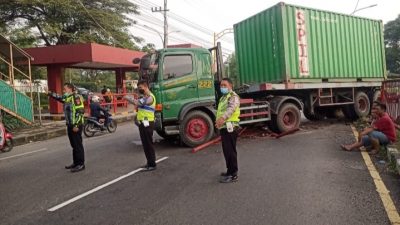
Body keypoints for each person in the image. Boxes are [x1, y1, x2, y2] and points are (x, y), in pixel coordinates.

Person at [48, 83, 86, 172]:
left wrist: (76, 125)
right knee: (73, 145)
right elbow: (60, 98)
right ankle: (75, 163)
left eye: (65, 89)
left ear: (70, 89)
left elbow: (80, 111)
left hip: (76, 125)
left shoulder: (76, 97)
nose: (63, 91)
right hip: (70, 125)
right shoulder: (67, 98)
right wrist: (49, 93)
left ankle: (81, 164)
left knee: (78, 145)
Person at [125, 80, 157, 171]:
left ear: (146, 87)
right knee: (145, 144)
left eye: (140, 88)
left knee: (148, 144)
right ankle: (149, 162)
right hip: (143, 123)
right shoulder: (145, 97)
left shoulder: (150, 98)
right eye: (138, 88)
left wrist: (127, 98)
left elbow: (137, 103)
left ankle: (152, 164)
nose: (139, 90)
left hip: (148, 123)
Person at [215, 78, 241, 183]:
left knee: (230, 151)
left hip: (231, 127)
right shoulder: (223, 98)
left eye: (225, 85)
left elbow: (231, 108)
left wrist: (222, 119)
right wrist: (218, 121)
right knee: (227, 151)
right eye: (221, 85)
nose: (222, 87)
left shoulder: (233, 97)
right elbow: (220, 111)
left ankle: (233, 174)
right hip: (224, 127)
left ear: (230, 86)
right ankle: (229, 170)